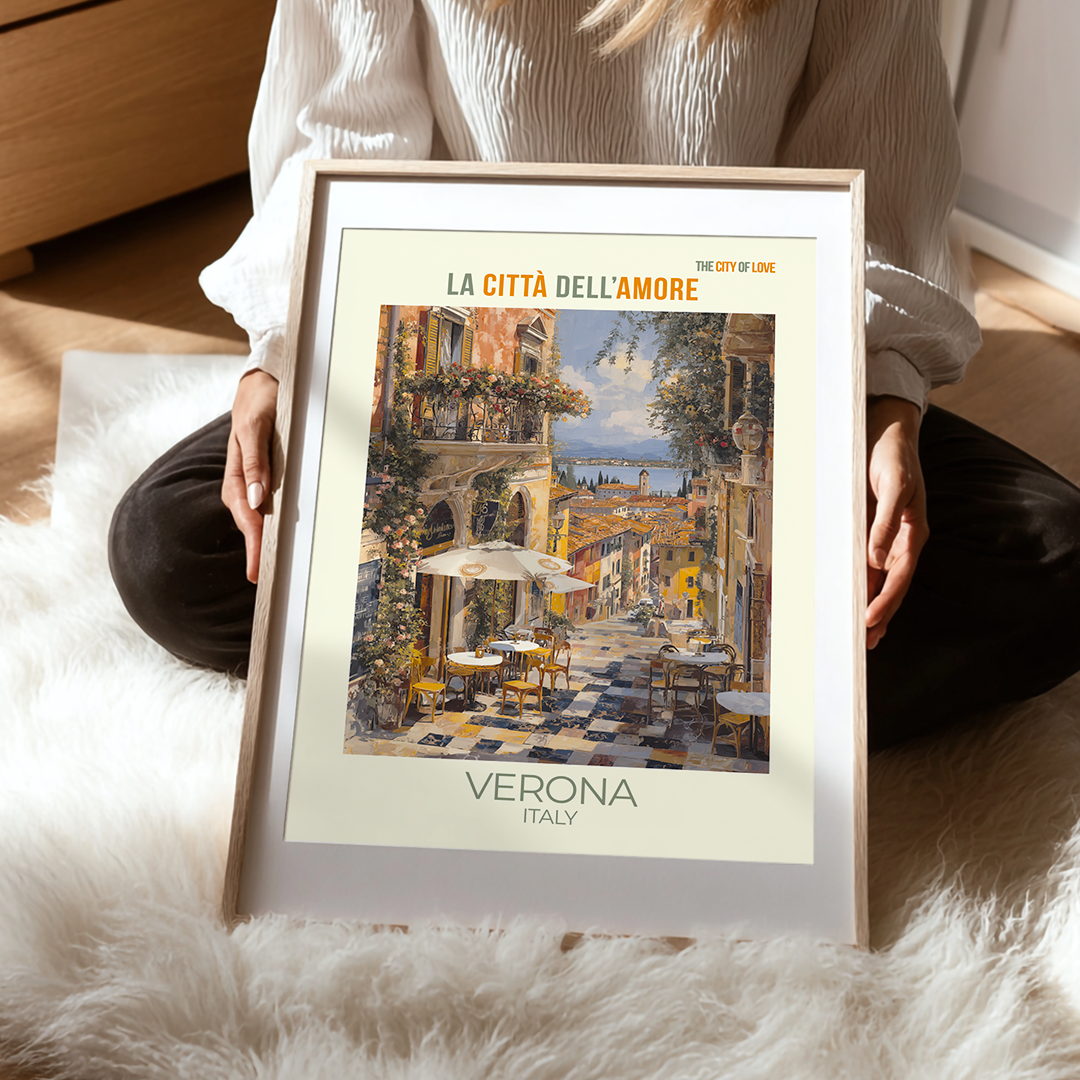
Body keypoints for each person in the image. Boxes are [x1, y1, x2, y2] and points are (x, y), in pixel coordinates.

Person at [108, 0, 1080, 748]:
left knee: (1057, 559)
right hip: (449, 349)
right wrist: (283, 355)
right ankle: (793, 706)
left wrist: (879, 400)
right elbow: (340, 140)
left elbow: (874, 169)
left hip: (775, 361)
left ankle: (459, 703)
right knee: (176, 546)